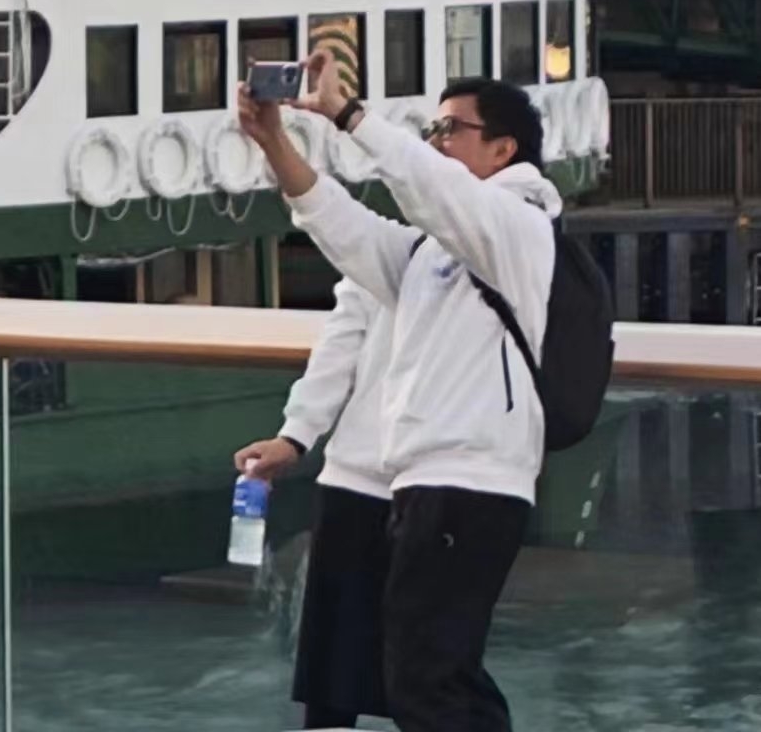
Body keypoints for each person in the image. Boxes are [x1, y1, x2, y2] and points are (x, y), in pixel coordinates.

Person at [237, 52, 561, 732]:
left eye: (452, 129)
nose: (436, 141)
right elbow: (343, 226)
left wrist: (348, 114)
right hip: (421, 480)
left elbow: (430, 184)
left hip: (474, 481)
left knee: (431, 680)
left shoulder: (520, 227)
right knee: (418, 675)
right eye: (433, 129)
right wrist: (274, 143)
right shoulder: (430, 252)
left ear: (503, 149)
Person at [232, 276, 395, 730]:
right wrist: (295, 435)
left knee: (437, 668)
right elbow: (342, 338)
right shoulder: (375, 251)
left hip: (455, 480)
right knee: (330, 675)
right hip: (357, 472)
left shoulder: (504, 244)